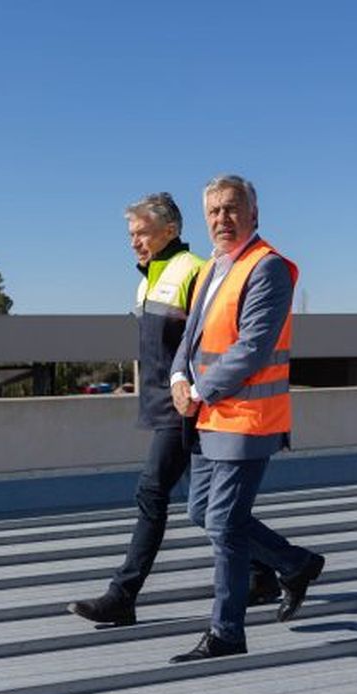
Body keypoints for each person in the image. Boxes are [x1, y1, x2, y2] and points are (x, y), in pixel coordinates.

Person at [67, 192, 280, 627]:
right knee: (208, 508)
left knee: (152, 494)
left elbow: (206, 342)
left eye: (141, 233)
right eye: (131, 234)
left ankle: (123, 594)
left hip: (186, 406)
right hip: (163, 403)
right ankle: (271, 571)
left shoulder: (194, 270)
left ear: (170, 231)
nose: (134, 242)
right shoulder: (148, 276)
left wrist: (196, 390)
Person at [167, 174, 325, 662]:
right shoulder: (214, 269)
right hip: (212, 415)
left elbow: (252, 347)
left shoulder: (267, 268)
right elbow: (190, 340)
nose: (222, 218)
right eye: (213, 211)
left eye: (232, 208)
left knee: (224, 522)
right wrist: (177, 379)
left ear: (254, 214)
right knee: (202, 512)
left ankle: (227, 633)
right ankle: (293, 564)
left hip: (250, 418)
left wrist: (199, 389)